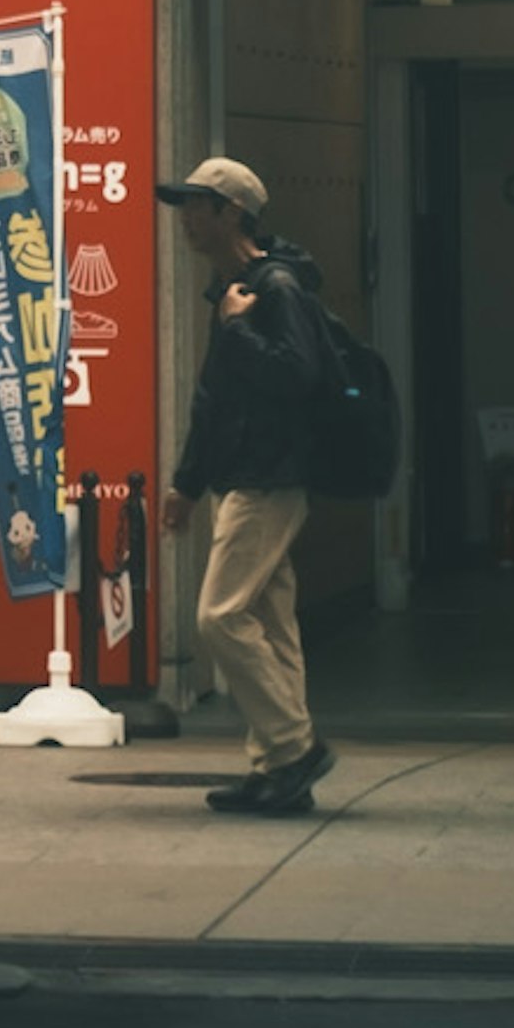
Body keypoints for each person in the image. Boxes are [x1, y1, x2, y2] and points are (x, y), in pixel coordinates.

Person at [158, 155, 336, 817]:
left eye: (196, 205)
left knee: (220, 616)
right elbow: (214, 401)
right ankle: (276, 772)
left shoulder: (276, 287)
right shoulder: (231, 287)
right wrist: (187, 484)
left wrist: (237, 331)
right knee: (269, 620)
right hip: (244, 474)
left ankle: (295, 745)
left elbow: (300, 376)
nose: (185, 217)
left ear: (233, 213)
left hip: (271, 477)